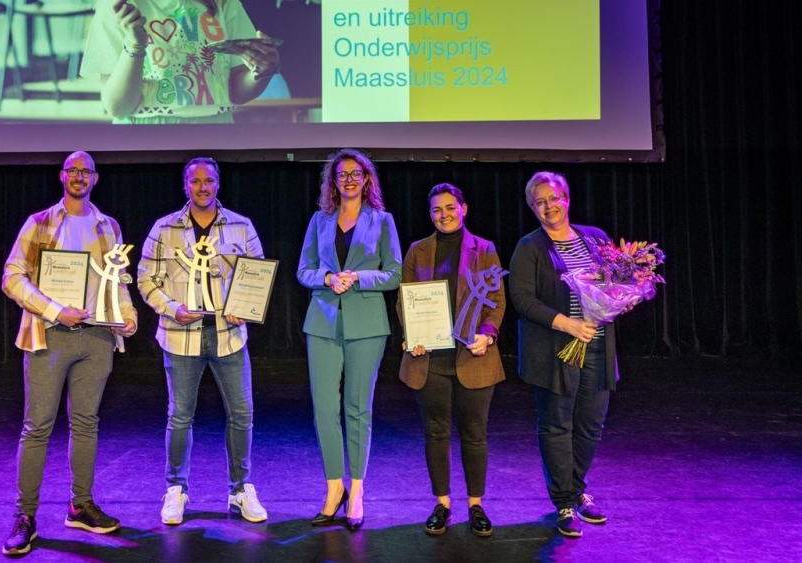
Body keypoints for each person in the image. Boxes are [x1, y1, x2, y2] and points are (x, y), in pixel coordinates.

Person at [0, 151, 138, 556]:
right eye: (72, 170)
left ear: (95, 179)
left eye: (86, 171)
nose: (79, 177)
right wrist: (55, 309)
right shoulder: (40, 222)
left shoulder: (108, 226)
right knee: (38, 426)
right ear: (62, 176)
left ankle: (80, 505)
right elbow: (11, 277)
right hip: (50, 333)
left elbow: (120, 280)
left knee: (86, 424)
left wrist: (127, 313)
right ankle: (25, 516)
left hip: (96, 338)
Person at [136, 156, 268, 526]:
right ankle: (176, 489)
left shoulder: (241, 226)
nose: (202, 187)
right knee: (180, 417)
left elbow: (257, 275)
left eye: (208, 180)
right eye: (195, 181)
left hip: (229, 337)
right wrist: (172, 307)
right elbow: (145, 279)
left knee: (242, 415)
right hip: (180, 337)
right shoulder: (165, 229)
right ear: (185, 186)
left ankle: (240, 490)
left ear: (218, 183)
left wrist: (247, 305)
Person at [296, 148, 403, 531]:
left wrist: (358, 277)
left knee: (358, 409)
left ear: (367, 179)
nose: (350, 179)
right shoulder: (319, 220)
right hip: (322, 324)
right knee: (324, 410)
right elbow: (303, 270)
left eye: (356, 173)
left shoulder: (383, 220)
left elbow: (393, 273)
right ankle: (333, 488)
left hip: (367, 325)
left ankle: (357, 491)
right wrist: (326, 279)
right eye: (342, 174)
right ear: (333, 181)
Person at [507, 171, 616, 539]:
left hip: (598, 345)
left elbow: (615, 283)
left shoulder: (596, 238)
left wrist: (617, 303)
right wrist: (567, 324)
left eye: (553, 198)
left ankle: (577, 488)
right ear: (532, 208)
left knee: (590, 423)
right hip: (554, 349)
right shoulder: (529, 246)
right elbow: (522, 300)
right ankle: (565, 502)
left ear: (566, 198)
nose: (548, 206)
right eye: (539, 202)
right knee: (557, 425)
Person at [398, 183, 506, 537]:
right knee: (436, 433)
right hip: (428, 360)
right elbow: (405, 300)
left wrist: (487, 334)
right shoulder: (418, 250)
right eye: (435, 210)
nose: (443, 215)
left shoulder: (484, 249)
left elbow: (496, 300)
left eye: (449, 208)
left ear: (463, 208)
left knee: (475, 434)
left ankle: (475, 505)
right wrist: (414, 335)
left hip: (473, 356)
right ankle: (442, 504)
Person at [80, 0, 282, 123]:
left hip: (216, 132)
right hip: (142, 136)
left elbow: (237, 90)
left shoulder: (225, 3)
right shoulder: (118, 7)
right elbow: (118, 107)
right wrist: (134, 45)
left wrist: (262, 70)